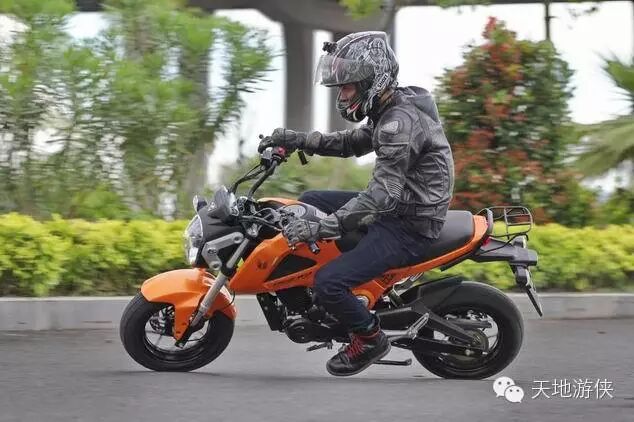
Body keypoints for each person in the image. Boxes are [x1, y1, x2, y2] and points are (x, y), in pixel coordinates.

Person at [258, 31, 455, 377]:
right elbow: (352, 142)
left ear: (372, 80)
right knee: (311, 200)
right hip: (400, 206)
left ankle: (369, 338)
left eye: (347, 87)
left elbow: (380, 196)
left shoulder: (398, 124)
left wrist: (321, 228)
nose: (343, 95)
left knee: (328, 283)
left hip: (409, 223)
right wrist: (298, 140)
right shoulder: (388, 107)